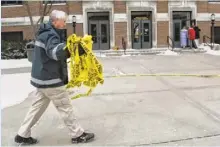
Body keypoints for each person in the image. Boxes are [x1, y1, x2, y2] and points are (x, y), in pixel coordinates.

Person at [14, 10, 94, 145]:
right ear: (54, 21)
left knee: (36, 108)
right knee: (65, 107)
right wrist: (73, 49)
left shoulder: (44, 33)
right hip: (51, 80)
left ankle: (22, 134)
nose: (65, 24)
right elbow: (55, 53)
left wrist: (70, 48)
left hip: (42, 79)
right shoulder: (51, 35)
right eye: (63, 21)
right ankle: (77, 134)